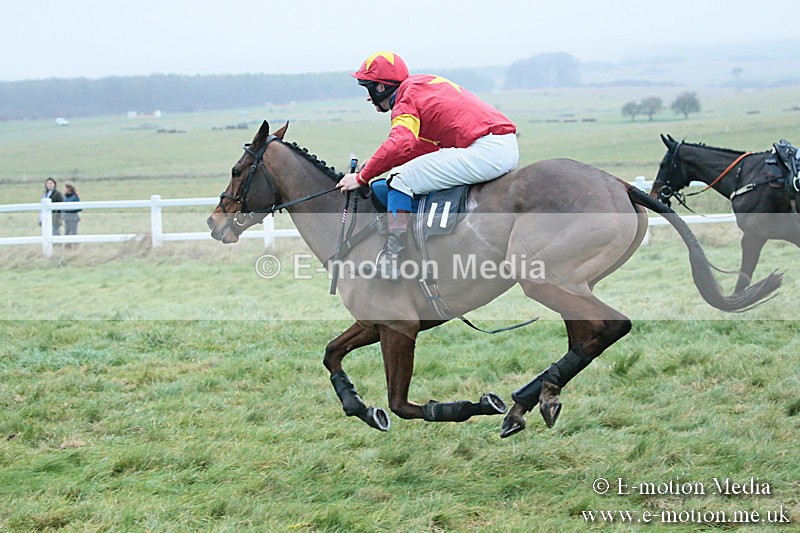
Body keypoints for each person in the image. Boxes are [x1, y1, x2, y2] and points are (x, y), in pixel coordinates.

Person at [336, 51, 519, 281]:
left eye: (368, 88)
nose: (368, 97)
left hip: (486, 150)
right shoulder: (418, 85)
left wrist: (361, 178)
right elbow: (420, 146)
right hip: (501, 146)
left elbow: (401, 142)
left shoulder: (405, 100)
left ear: (381, 87)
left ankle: (392, 260)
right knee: (394, 180)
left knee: (400, 179)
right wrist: (372, 167)